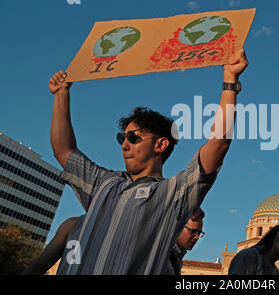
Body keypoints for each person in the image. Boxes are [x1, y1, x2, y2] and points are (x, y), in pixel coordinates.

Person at [49, 49, 248, 275]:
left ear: (160, 145)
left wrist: (230, 80)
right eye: (122, 138)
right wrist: (61, 95)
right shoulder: (102, 183)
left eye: (133, 138)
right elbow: (63, 150)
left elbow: (218, 144)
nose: (124, 145)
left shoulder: (173, 195)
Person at [164, 207, 205, 275]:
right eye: (193, 231)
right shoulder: (163, 257)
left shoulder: (176, 258)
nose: (197, 237)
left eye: (199, 233)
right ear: (178, 227)